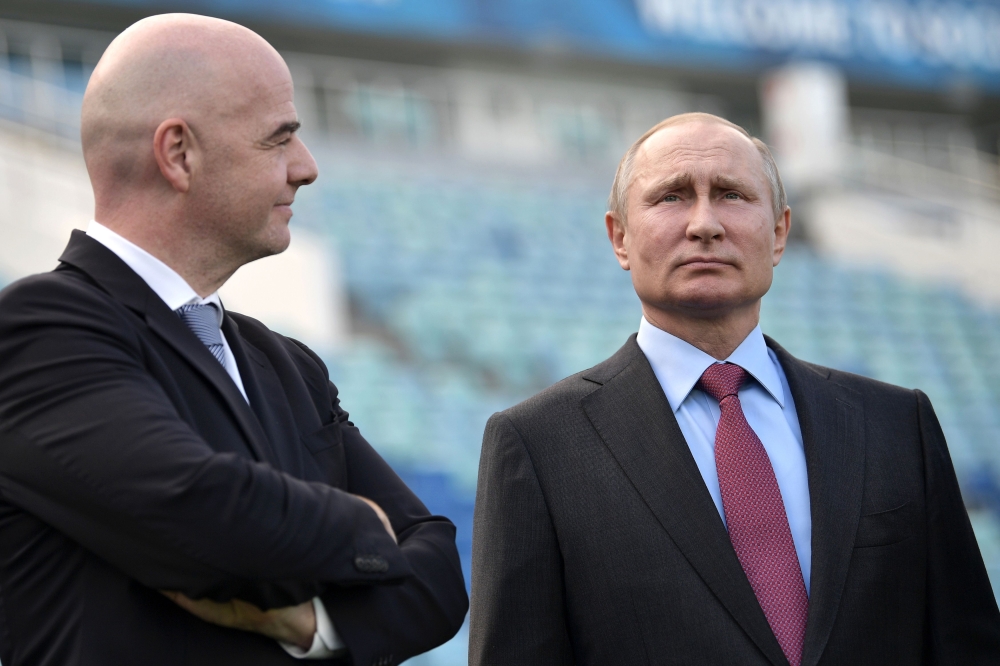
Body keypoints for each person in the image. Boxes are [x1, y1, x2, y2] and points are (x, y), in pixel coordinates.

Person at [0, 14, 467, 666]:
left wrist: (315, 627)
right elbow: (206, 516)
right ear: (179, 154)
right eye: (278, 141)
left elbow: (440, 573)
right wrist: (367, 526)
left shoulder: (288, 365)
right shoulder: (35, 328)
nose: (306, 169)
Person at [470, 112, 1000, 665]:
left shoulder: (896, 423)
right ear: (619, 237)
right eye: (672, 197)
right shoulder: (538, 444)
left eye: (731, 195)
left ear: (778, 233)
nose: (704, 224)